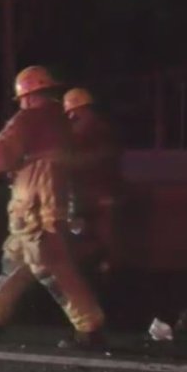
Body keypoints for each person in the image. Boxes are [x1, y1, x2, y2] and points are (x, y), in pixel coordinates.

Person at [0, 66, 106, 350]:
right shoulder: (61, 120)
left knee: (51, 266)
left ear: (27, 96)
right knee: (17, 260)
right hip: (49, 202)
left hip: (35, 207)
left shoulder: (28, 119)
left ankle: (89, 327)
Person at [62, 88, 124, 277]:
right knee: (105, 237)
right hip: (105, 191)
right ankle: (106, 271)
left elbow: (74, 160)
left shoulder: (82, 130)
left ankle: (96, 275)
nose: (70, 116)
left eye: (71, 111)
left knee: (86, 236)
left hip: (92, 193)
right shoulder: (102, 127)